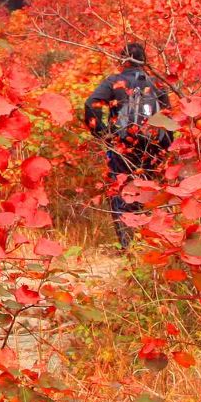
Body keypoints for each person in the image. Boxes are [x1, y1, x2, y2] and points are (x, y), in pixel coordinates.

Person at [81, 40, 174, 248]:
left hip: (122, 146)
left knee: (122, 189)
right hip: (153, 147)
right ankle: (151, 244)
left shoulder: (114, 81)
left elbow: (91, 104)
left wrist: (103, 134)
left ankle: (128, 246)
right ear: (144, 61)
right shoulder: (156, 84)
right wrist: (167, 147)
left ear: (123, 60)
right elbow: (168, 117)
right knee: (151, 192)